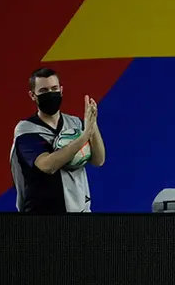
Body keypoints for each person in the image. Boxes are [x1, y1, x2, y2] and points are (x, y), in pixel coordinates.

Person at [10, 67, 106, 213]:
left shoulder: (75, 124)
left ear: (61, 90)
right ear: (32, 95)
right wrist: (84, 137)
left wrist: (92, 124)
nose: (50, 94)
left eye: (54, 88)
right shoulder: (26, 130)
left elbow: (98, 160)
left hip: (79, 212)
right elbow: (48, 165)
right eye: (43, 91)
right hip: (41, 215)